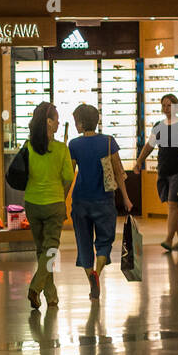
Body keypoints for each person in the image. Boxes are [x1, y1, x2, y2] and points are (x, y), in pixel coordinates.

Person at [68, 104, 132, 300]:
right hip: (104, 200)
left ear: (80, 122)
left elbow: (69, 176)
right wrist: (127, 199)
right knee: (104, 242)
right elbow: (119, 172)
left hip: (80, 201)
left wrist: (62, 200)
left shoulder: (74, 145)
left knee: (83, 242)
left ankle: (91, 280)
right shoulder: (108, 142)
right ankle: (98, 272)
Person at [134, 94, 178, 253]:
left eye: (169, 105)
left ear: (176, 107)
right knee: (175, 207)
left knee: (173, 205)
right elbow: (149, 146)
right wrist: (139, 161)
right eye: (164, 105)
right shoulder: (158, 125)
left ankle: (169, 239)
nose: (166, 108)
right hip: (163, 170)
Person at [22, 101, 74, 310]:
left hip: (32, 203)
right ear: (48, 122)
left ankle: (51, 296)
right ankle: (35, 288)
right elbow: (69, 177)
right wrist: (61, 197)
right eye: (56, 119)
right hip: (54, 203)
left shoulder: (27, 146)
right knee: (51, 249)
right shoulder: (61, 149)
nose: (59, 122)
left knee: (42, 250)